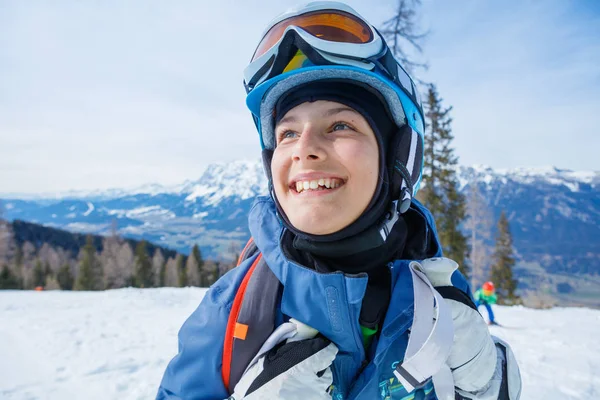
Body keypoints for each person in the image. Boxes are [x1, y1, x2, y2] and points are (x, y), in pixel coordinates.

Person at [157, 2, 521, 399]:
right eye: (287, 134)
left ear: (399, 156)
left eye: (340, 125)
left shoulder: (438, 297)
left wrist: (490, 384)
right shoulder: (231, 314)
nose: (304, 149)